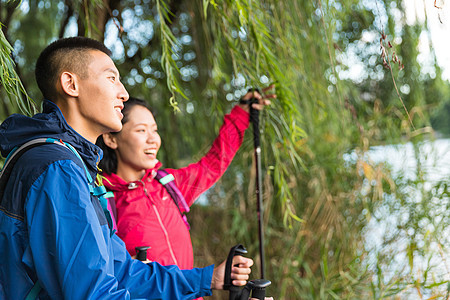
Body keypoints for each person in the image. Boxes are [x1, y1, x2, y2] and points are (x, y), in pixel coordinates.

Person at [0, 36, 254, 299]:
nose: (124, 93)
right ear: (70, 84)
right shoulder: (58, 168)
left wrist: (208, 278)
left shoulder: (76, 167)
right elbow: (96, 293)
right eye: (111, 78)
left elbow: (122, 272)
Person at [96, 89, 273, 271]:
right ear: (111, 139)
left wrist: (242, 112)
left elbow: (214, 162)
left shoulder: (170, 184)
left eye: (155, 130)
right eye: (141, 130)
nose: (153, 140)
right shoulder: (102, 202)